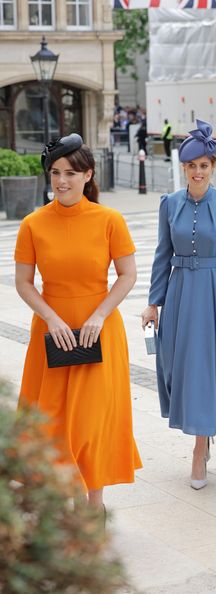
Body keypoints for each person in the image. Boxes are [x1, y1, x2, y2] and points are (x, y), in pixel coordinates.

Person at [14, 133, 142, 515]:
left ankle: (93, 508)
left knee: (90, 424)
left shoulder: (109, 219)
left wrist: (100, 315)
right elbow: (23, 282)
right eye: (55, 172)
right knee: (54, 423)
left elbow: (128, 274)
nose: (61, 181)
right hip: (51, 333)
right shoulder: (33, 224)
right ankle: (68, 506)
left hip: (98, 331)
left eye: (70, 172)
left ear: (88, 175)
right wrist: (50, 318)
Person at [141, 119, 216, 490]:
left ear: (213, 167)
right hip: (180, 292)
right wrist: (153, 302)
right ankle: (200, 435)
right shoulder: (169, 204)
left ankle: (199, 446)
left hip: (215, 294)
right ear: (184, 169)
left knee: (206, 368)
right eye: (192, 166)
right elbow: (161, 254)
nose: (198, 171)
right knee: (178, 366)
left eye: (204, 165)